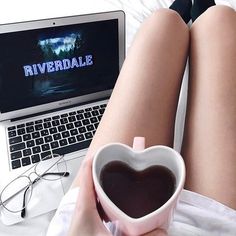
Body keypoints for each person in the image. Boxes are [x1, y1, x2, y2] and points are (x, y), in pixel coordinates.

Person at [47, 0, 236, 235]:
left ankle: (187, 14)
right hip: (211, 225)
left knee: (163, 21)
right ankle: (202, 12)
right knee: (220, 19)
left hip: (93, 219)